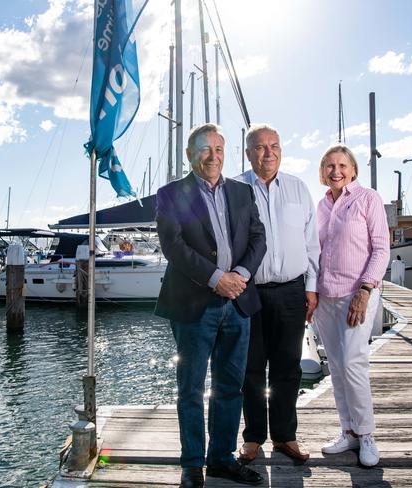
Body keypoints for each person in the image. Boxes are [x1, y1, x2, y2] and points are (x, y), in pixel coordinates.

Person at [155, 123, 266, 487]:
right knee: (190, 388)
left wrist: (241, 274)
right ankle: (191, 465)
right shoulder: (171, 194)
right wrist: (217, 278)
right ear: (191, 155)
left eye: (219, 149)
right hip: (193, 305)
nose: (213, 156)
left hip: (238, 302)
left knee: (230, 386)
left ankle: (220, 459)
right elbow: (174, 246)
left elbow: (257, 237)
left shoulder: (242, 191)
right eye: (205, 149)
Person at [235, 124, 320, 463]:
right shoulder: (235, 190)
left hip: (291, 291)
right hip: (248, 292)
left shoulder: (299, 189)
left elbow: (312, 244)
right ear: (248, 153)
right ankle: (254, 437)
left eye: (274, 146)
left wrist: (311, 288)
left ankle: (286, 435)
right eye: (260, 147)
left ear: (281, 150)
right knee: (250, 367)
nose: (268, 152)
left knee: (288, 367)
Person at [313, 144, 390, 467]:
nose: (336, 171)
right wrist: (311, 293)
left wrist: (366, 288)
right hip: (325, 297)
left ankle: (367, 434)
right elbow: (314, 250)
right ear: (322, 172)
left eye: (342, 165)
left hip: (357, 294)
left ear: (353, 169)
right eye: (329, 166)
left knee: (353, 364)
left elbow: (382, 249)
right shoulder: (322, 205)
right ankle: (348, 431)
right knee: (335, 366)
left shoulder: (368, 199)